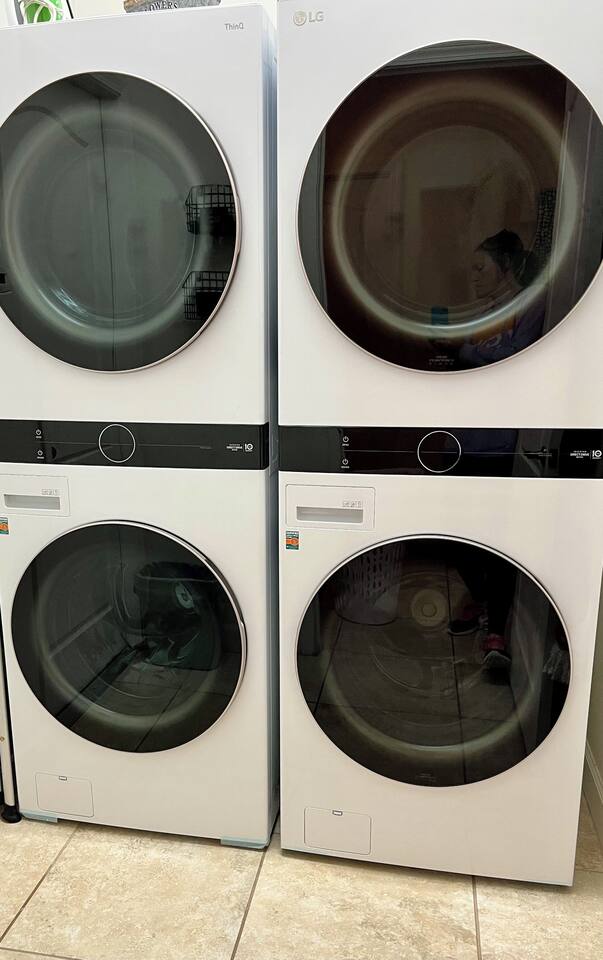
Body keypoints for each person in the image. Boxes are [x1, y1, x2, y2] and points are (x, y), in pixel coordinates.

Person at [458, 229, 544, 367]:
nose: (474, 278)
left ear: (505, 261)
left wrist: (467, 351)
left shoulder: (531, 298)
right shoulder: (481, 316)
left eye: (480, 268)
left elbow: (519, 354)